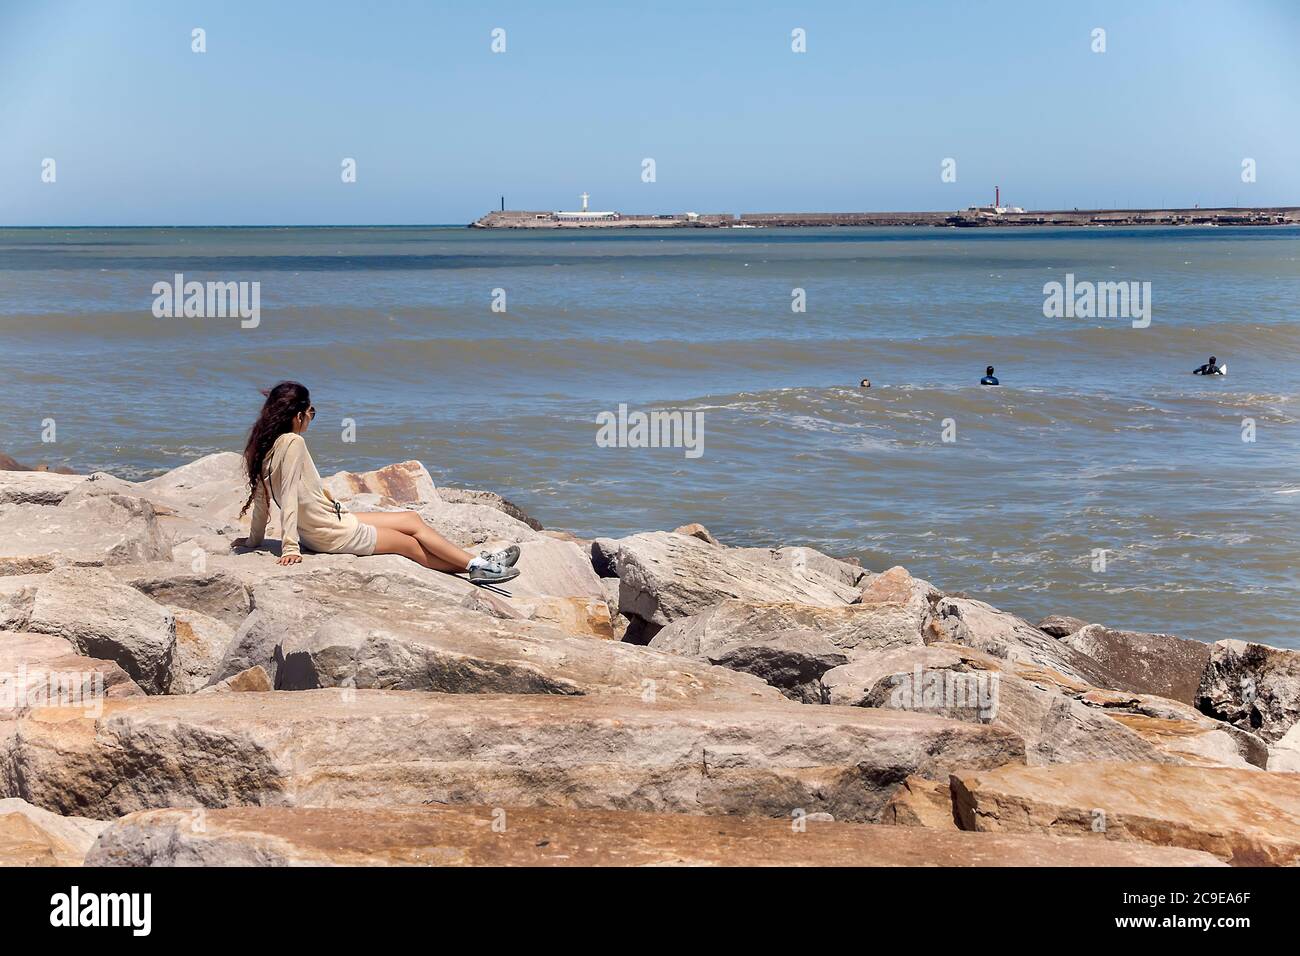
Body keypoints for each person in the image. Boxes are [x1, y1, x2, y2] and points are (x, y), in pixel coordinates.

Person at [230, 382, 520, 584]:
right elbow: (289, 495)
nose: (311, 419)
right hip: (328, 532)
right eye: (311, 413)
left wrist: (255, 540)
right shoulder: (293, 442)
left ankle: (479, 563)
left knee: (411, 518)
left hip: (326, 522)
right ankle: (478, 567)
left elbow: (260, 498)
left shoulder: (263, 445)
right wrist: (290, 547)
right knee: (407, 544)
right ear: (298, 415)